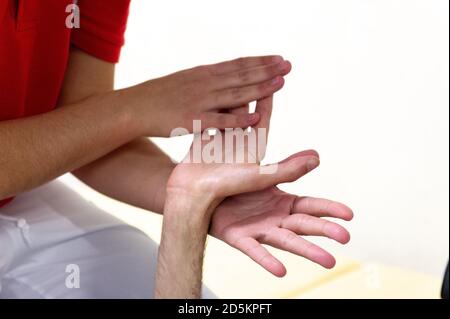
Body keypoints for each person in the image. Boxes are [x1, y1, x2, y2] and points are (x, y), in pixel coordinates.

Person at [0, 0, 352, 298]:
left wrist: (193, 197)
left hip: (18, 196)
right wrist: (133, 108)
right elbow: (100, 119)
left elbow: (80, 129)